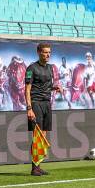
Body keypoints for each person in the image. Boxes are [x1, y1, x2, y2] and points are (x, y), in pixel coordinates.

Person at [25, 43, 63, 176]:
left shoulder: (50, 68)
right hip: (36, 104)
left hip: (47, 104)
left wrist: (55, 88)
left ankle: (38, 165)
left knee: (44, 136)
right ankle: (34, 168)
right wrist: (29, 108)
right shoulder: (31, 68)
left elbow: (47, 86)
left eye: (49, 52)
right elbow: (27, 89)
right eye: (45, 52)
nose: (48, 55)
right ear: (38, 52)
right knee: (38, 137)